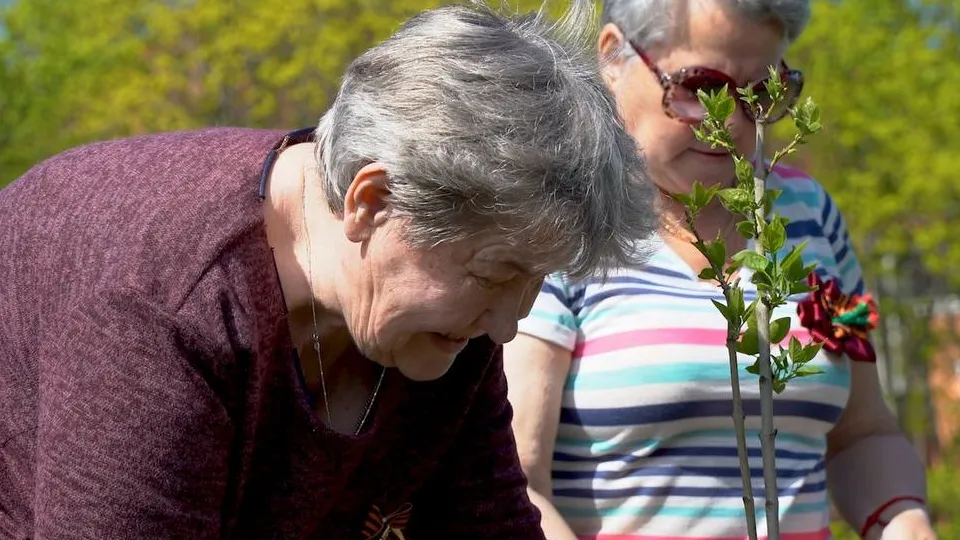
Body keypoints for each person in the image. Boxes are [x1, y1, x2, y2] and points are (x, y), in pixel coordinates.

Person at [0, 2, 660, 538]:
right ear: (371, 201)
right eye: (496, 274)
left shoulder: (446, 315)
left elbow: (486, 522)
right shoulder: (163, 303)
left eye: (535, 280)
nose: (510, 325)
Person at [504, 1, 936, 539]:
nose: (729, 120)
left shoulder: (809, 214)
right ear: (614, 55)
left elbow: (862, 435)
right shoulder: (564, 224)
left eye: (760, 93)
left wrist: (901, 519)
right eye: (698, 88)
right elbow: (516, 481)